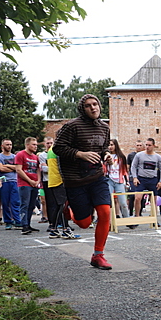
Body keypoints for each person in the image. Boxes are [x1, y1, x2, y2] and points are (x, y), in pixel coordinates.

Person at [53, 94, 114, 270]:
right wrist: (80, 154)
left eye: (96, 104)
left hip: (97, 177)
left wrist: (107, 156)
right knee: (84, 223)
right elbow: (58, 148)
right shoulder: (72, 126)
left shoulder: (104, 127)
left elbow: (103, 149)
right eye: (88, 105)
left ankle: (98, 255)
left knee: (104, 213)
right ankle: (69, 209)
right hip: (75, 180)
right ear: (83, 109)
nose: (93, 108)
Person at [45, 144, 80, 239]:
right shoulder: (59, 149)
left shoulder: (51, 149)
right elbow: (61, 167)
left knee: (58, 205)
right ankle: (65, 229)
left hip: (53, 180)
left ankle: (54, 229)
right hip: (60, 181)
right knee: (64, 205)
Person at [131, 138, 161, 220]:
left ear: (153, 146)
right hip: (141, 179)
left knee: (154, 200)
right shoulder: (139, 155)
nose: (147, 147)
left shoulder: (158, 157)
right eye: (146, 145)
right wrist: (135, 177)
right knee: (137, 198)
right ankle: (137, 216)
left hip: (153, 179)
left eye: (149, 145)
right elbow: (133, 166)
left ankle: (154, 219)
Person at [15, 137, 41, 235]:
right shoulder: (20, 154)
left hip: (34, 184)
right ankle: (24, 225)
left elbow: (38, 169)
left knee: (31, 205)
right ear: (27, 145)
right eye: (33, 144)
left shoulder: (35, 157)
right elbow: (18, 170)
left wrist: (38, 180)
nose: (35, 146)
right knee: (24, 204)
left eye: (36, 145)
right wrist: (30, 180)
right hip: (24, 184)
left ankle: (28, 224)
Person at [0, 139, 21, 230]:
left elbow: (18, 168)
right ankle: (8, 221)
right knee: (5, 202)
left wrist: (7, 166)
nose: (9, 146)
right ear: (2, 146)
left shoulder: (15, 156)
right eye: (7, 144)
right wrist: (13, 168)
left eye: (10, 144)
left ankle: (17, 221)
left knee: (15, 202)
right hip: (4, 182)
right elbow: (1, 169)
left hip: (15, 181)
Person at [105, 139, 130, 219]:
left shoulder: (121, 157)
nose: (110, 147)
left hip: (119, 181)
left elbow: (124, 170)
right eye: (109, 145)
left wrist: (127, 181)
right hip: (109, 180)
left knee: (123, 203)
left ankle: (127, 219)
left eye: (112, 145)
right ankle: (108, 221)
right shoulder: (105, 156)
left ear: (116, 145)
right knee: (109, 202)